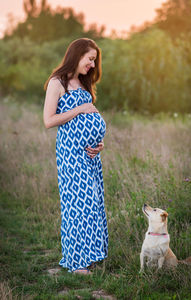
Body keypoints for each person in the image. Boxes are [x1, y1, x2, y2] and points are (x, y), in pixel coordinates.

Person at [43, 38, 108, 274]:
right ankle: (76, 262)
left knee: (92, 205)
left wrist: (98, 143)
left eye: (94, 60)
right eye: (90, 59)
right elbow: (49, 121)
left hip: (90, 156)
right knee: (77, 206)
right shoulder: (57, 82)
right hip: (71, 156)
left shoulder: (83, 83)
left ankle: (89, 256)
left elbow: (88, 120)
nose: (92, 65)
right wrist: (80, 109)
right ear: (77, 55)